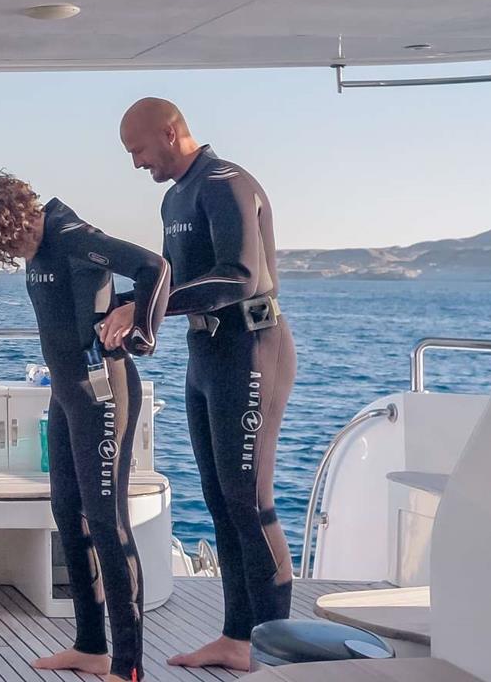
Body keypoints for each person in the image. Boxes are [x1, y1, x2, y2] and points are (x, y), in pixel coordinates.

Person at [111, 97, 296, 672]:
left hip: (251, 349)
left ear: (170, 133)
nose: (137, 163)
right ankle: (237, 638)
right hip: (207, 353)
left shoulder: (224, 183)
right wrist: (121, 310)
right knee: (220, 500)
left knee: (252, 502)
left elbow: (240, 277)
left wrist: (145, 306)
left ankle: (274, 652)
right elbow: (171, 283)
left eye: (139, 149)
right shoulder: (175, 198)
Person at [0, 173, 168, 682]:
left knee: (107, 523)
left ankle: (128, 666)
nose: (12, 253)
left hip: (102, 393)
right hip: (65, 393)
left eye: (10, 243)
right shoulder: (41, 245)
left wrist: (139, 326)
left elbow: (154, 267)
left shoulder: (73, 235)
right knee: (67, 513)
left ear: (20, 218)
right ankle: (91, 646)